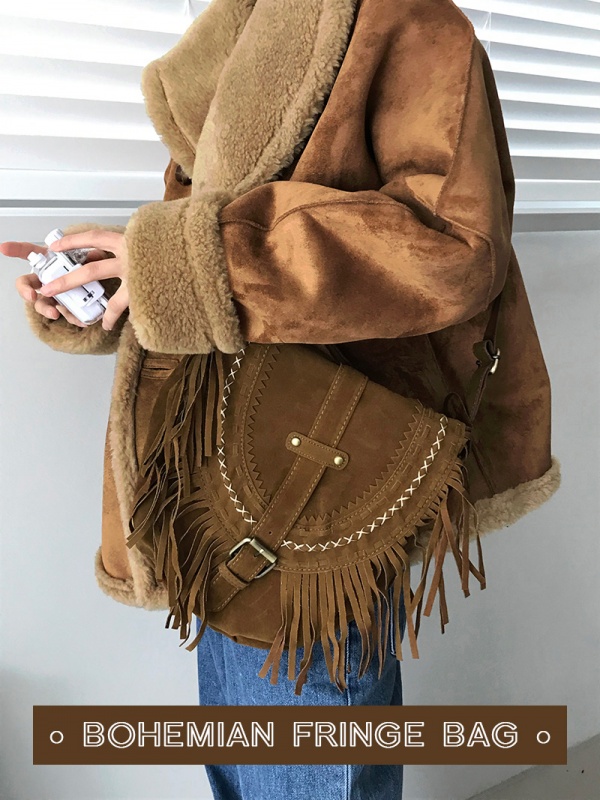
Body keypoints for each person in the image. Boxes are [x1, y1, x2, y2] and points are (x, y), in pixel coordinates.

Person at [2, 1, 559, 798]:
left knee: (309, 764)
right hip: (213, 470)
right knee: (249, 763)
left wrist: (181, 264)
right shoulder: (237, 32)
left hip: (323, 470)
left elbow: (452, 250)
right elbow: (204, 247)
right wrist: (118, 283)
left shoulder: (408, 20)